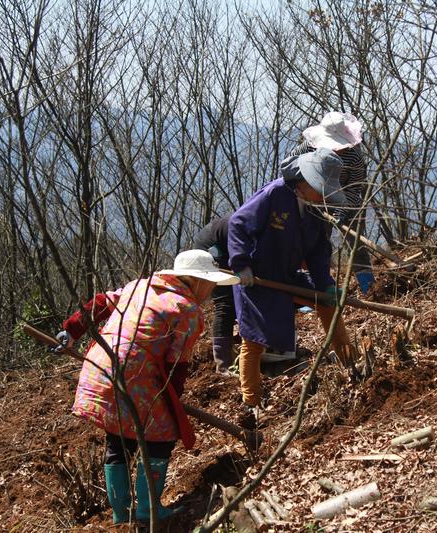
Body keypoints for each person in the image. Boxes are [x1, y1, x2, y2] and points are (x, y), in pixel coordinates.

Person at [55, 251, 238, 525]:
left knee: (118, 437)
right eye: (210, 283)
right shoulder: (188, 310)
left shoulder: (138, 286)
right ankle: (147, 510)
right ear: (196, 280)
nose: (211, 290)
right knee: (161, 437)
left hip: (100, 366)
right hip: (137, 375)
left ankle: (121, 513)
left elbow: (101, 302)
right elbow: (177, 365)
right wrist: (172, 401)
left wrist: (71, 330)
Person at [228, 148, 358, 410]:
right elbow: (238, 224)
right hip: (256, 278)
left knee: (328, 304)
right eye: (320, 189)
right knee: (253, 341)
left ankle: (349, 363)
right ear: (306, 180)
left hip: (287, 276)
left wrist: (325, 285)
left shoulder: (316, 210)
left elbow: (318, 252)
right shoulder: (274, 194)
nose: (323, 196)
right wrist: (241, 264)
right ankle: (251, 403)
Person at [288, 112, 375, 294]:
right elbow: (290, 166)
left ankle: (368, 284)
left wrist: (342, 211)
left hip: (347, 199)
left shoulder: (354, 157)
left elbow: (354, 189)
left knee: (355, 241)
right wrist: (303, 191)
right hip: (316, 198)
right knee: (317, 241)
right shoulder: (308, 148)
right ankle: (316, 284)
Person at [192, 215, 237, 375]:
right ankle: (223, 363)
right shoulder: (257, 224)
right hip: (212, 246)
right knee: (225, 302)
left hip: (230, 244)